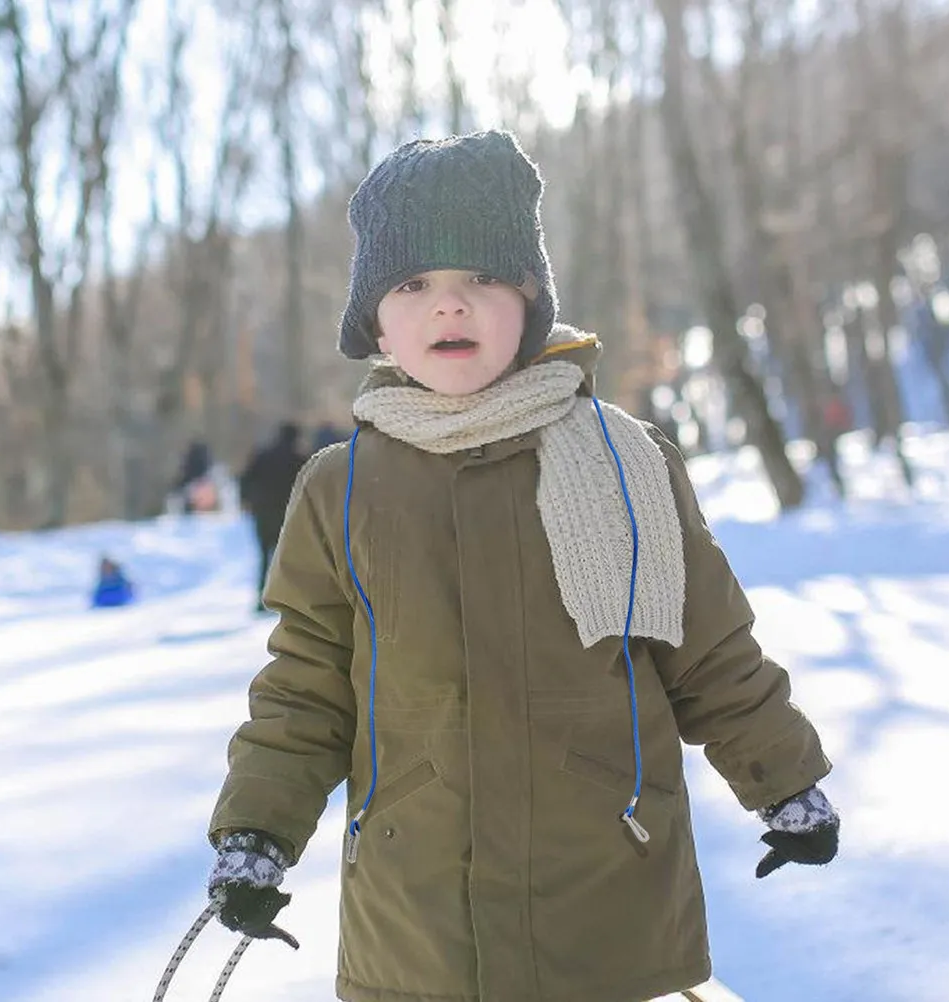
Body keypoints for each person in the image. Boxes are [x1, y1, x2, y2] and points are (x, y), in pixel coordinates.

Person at [206, 132, 839, 1002]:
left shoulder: (627, 461)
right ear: (374, 321)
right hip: (420, 905)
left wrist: (785, 781)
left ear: (531, 297)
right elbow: (306, 685)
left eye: (482, 279)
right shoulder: (341, 485)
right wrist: (256, 835)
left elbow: (710, 648)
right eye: (413, 285)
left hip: (605, 889)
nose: (449, 307)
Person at [238, 421, 309, 611]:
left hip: (262, 513)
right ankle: (286, 601)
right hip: (286, 515)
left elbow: (245, 478)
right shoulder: (298, 458)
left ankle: (261, 599)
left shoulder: (262, 455)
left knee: (264, 556)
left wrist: (245, 501)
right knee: (286, 559)